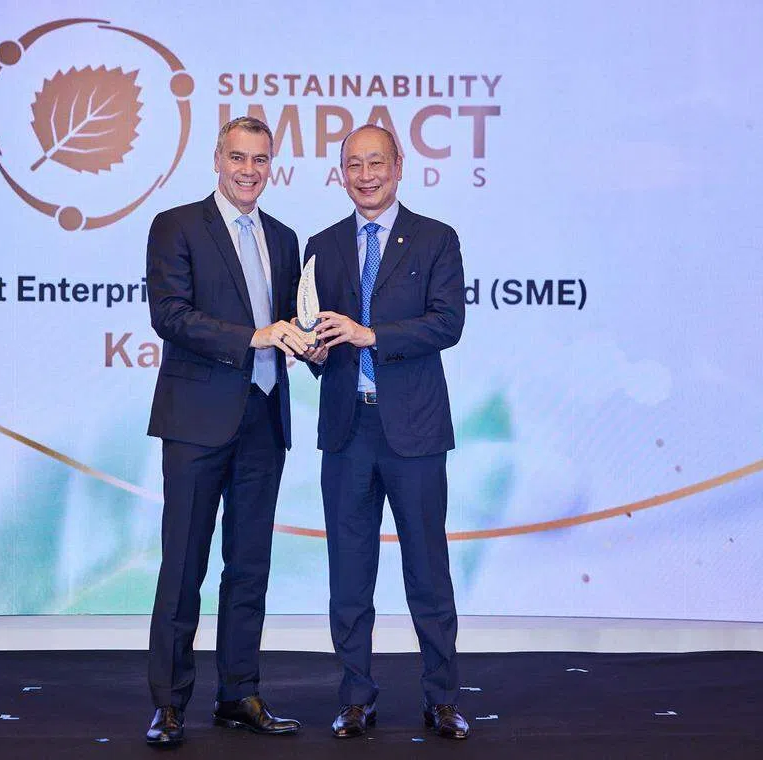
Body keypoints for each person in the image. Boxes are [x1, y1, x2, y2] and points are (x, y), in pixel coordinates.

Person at [143, 116, 311, 746]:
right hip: (196, 423)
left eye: (260, 159)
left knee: (249, 566)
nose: (249, 170)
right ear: (217, 159)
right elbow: (170, 315)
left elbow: (290, 323)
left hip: (264, 421)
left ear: (272, 165)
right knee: (183, 564)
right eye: (238, 157)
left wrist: (313, 343)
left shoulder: (285, 238)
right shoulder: (177, 226)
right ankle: (168, 704)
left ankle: (239, 693)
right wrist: (252, 337)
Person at [304, 124, 470, 740]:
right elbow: (314, 334)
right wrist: (313, 351)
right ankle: (355, 698)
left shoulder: (436, 238)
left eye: (376, 163)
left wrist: (372, 336)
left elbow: (447, 323)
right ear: (340, 173)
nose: (366, 175)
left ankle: (442, 699)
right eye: (354, 164)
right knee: (349, 573)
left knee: (428, 571)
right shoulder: (321, 246)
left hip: (415, 431)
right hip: (348, 430)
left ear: (399, 165)